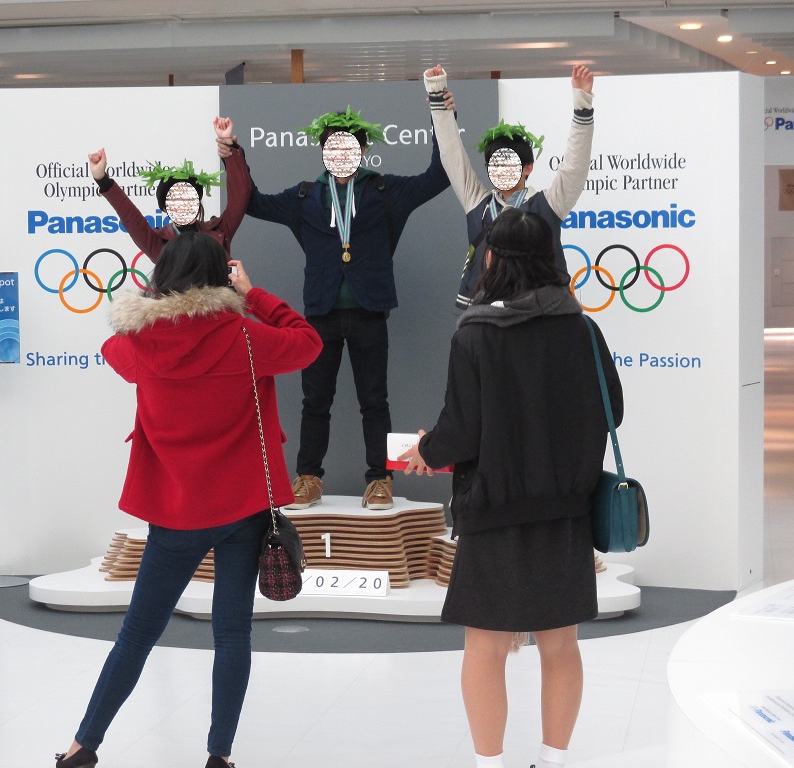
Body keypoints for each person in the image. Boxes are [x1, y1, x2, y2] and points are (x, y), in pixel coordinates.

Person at [55, 232, 322, 768]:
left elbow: (111, 348)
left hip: (176, 512)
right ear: (222, 276)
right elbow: (307, 341)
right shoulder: (247, 336)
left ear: (163, 279)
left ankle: (84, 747)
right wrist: (254, 294)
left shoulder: (139, 343)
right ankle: (219, 756)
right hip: (244, 507)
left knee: (137, 635)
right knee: (232, 635)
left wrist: (149, 308)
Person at [399, 210, 623, 768]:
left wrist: (426, 451)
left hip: (493, 514)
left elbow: (460, 430)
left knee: (485, 648)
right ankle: (552, 761)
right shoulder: (583, 330)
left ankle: (490, 764)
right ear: (551, 259)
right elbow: (612, 410)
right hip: (566, 513)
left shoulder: (475, 334)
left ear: (492, 259)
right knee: (561, 646)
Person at [219, 106, 449, 511]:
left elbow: (438, 176)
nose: (341, 154)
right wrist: (232, 153)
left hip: (369, 312)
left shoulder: (384, 191)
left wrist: (440, 115)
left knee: (374, 401)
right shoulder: (305, 197)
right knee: (314, 401)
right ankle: (308, 478)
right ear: (323, 152)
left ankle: (380, 479)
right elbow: (251, 202)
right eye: (333, 147)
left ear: (363, 151)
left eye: (349, 147)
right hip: (320, 315)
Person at [422, 64, 595, 309]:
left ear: (528, 167)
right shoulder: (478, 203)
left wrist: (582, 104)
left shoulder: (548, 205)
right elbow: (452, 156)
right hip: (482, 310)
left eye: (508, 163)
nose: (501, 170)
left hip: (539, 312)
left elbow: (575, 167)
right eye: (495, 164)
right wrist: (438, 98)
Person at [88, 117, 251, 264]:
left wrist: (229, 146)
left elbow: (240, 194)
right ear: (166, 208)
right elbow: (130, 217)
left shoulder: (220, 231)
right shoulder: (158, 243)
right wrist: (102, 179)